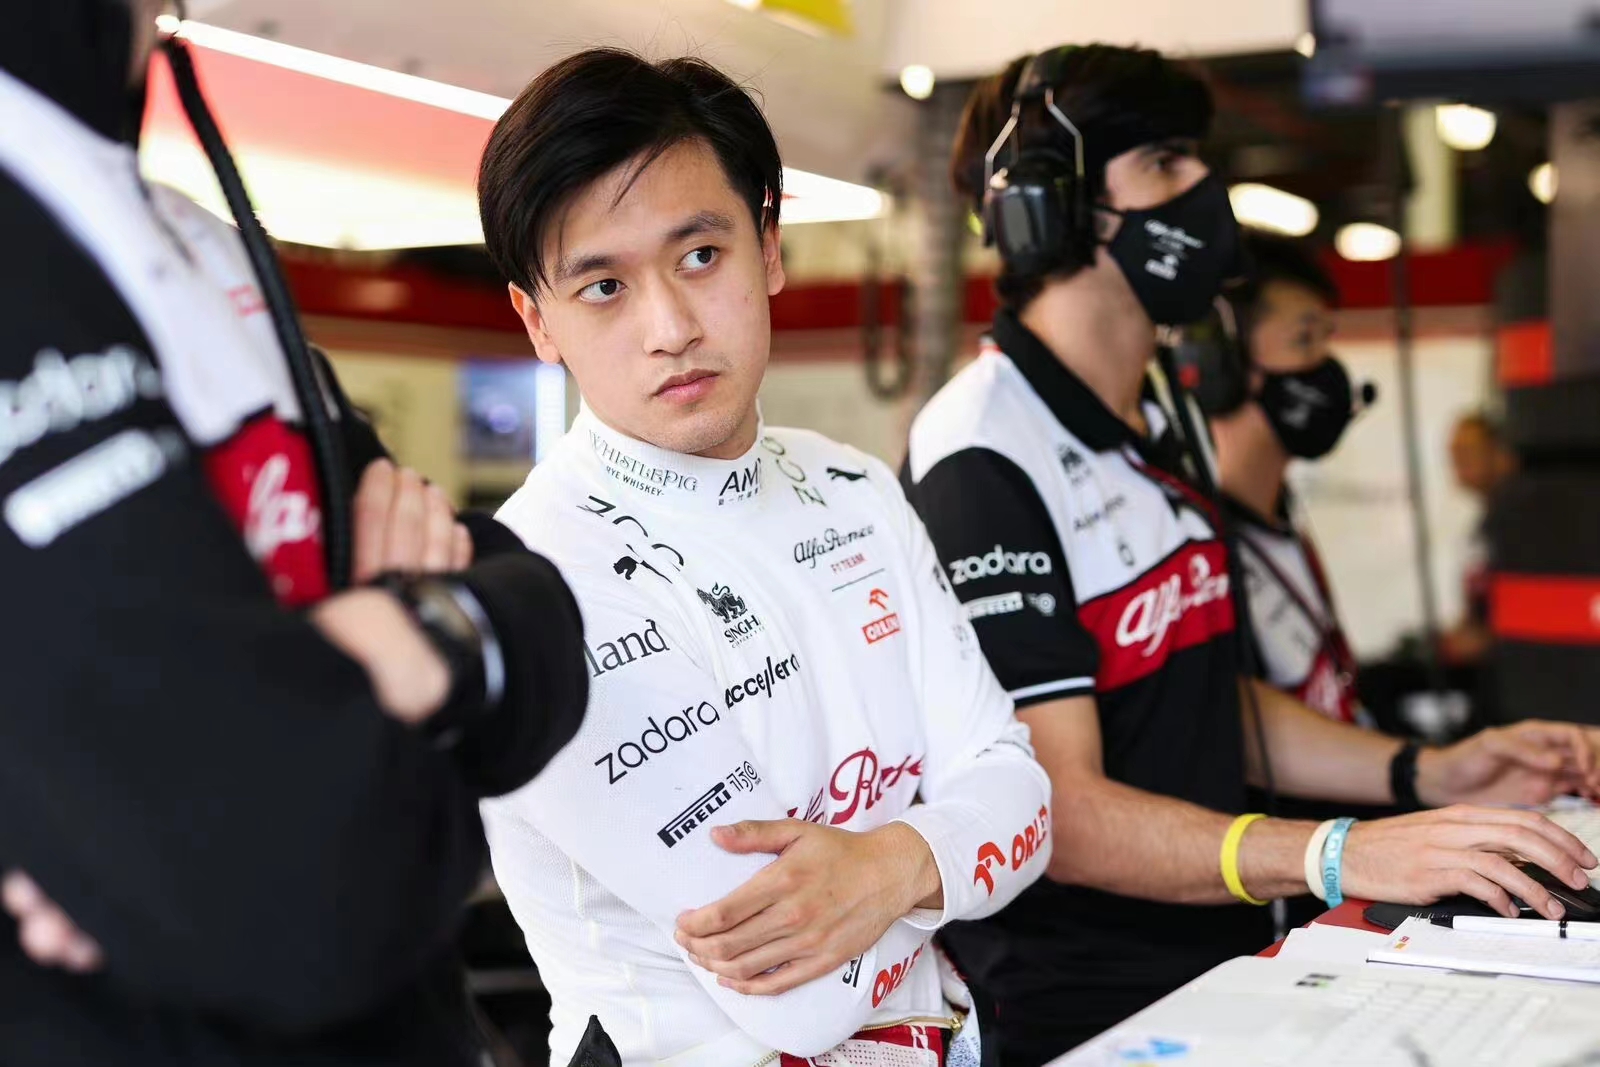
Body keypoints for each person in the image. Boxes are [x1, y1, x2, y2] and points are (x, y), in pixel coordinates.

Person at [902, 43, 1600, 1064]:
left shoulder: (1164, 415)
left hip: (1219, 957)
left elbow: (1201, 691)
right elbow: (1057, 808)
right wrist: (1337, 850)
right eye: (1164, 163)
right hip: (1077, 1005)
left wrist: (1426, 769)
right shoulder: (983, 451)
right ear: (1045, 207)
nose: (1204, 190)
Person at [0, 3, 589, 1065]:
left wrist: (407, 636)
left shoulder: (191, 241)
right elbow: (285, 879)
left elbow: (541, 617)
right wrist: (425, 655)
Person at [475, 48, 1053, 1067]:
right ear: (538, 321)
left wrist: (886, 867)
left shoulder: (854, 485)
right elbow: (803, 993)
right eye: (603, 286)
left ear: (770, 247)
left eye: (702, 255)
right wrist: (945, 854)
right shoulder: (538, 583)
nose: (670, 327)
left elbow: (1027, 799)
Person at [1199, 233, 1366, 728]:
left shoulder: (1285, 529)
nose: (1326, 366)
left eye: (1325, 340)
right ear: (1224, 364)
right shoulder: (1203, 555)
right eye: (1304, 340)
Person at [1442, 411, 1518, 667]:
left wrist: (1489, 638)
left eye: (1467, 451)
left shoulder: (1519, 523)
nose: (1457, 461)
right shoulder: (1485, 524)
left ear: (1501, 455)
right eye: (1453, 453)